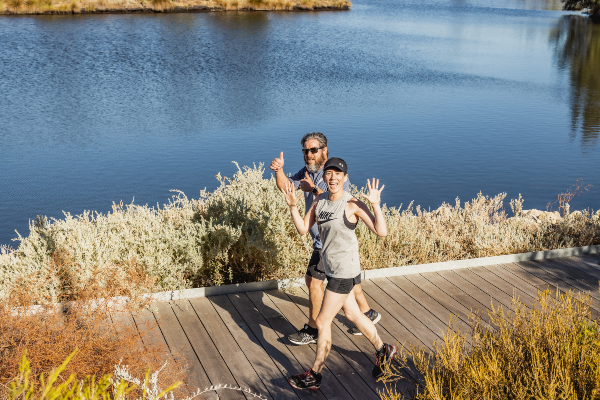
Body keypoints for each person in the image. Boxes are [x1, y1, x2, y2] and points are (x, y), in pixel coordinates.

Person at [282, 157, 396, 390]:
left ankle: (315, 375)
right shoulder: (319, 201)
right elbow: (303, 229)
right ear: (324, 177)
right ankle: (384, 350)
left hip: (344, 272)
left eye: (338, 174)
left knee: (323, 321)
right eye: (329, 174)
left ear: (345, 178)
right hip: (333, 270)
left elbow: (381, 231)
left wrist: (375, 204)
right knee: (353, 315)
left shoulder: (352, 204)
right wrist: (293, 206)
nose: (333, 178)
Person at [270, 132, 380, 345]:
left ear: (324, 151)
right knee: (350, 287)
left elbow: (330, 197)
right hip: (330, 245)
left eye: (313, 150)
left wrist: (311, 188)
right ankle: (368, 316)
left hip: (328, 243)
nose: (308, 155)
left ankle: (313, 330)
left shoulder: (333, 173)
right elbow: (287, 187)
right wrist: (279, 170)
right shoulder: (307, 171)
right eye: (305, 151)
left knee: (314, 282)